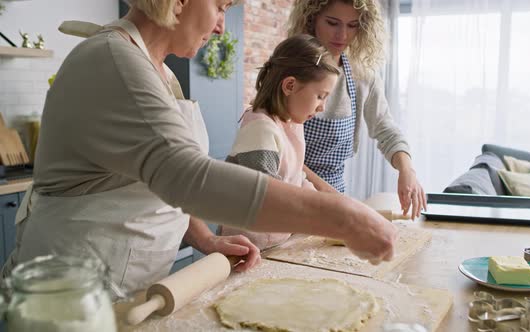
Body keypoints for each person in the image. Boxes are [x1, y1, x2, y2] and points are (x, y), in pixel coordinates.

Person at [0, 0, 397, 294]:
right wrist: (342, 216)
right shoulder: (114, 61)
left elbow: (156, 176)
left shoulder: (157, 71)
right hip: (73, 297)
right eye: (221, 7)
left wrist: (203, 239)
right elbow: (187, 176)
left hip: (127, 287)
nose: (222, 27)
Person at [287, 0, 427, 219]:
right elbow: (282, 150)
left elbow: (385, 128)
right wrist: (328, 195)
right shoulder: (288, 68)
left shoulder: (362, 76)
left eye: (352, 25)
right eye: (333, 23)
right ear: (312, 19)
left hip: (335, 196)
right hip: (289, 195)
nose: (342, 35)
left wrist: (407, 170)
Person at [219, 34, 340, 250]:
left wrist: (329, 208)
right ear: (290, 85)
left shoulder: (291, 123)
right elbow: (268, 197)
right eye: (320, 96)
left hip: (275, 241)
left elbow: (295, 179)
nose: (322, 107)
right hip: (246, 247)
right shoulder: (260, 128)